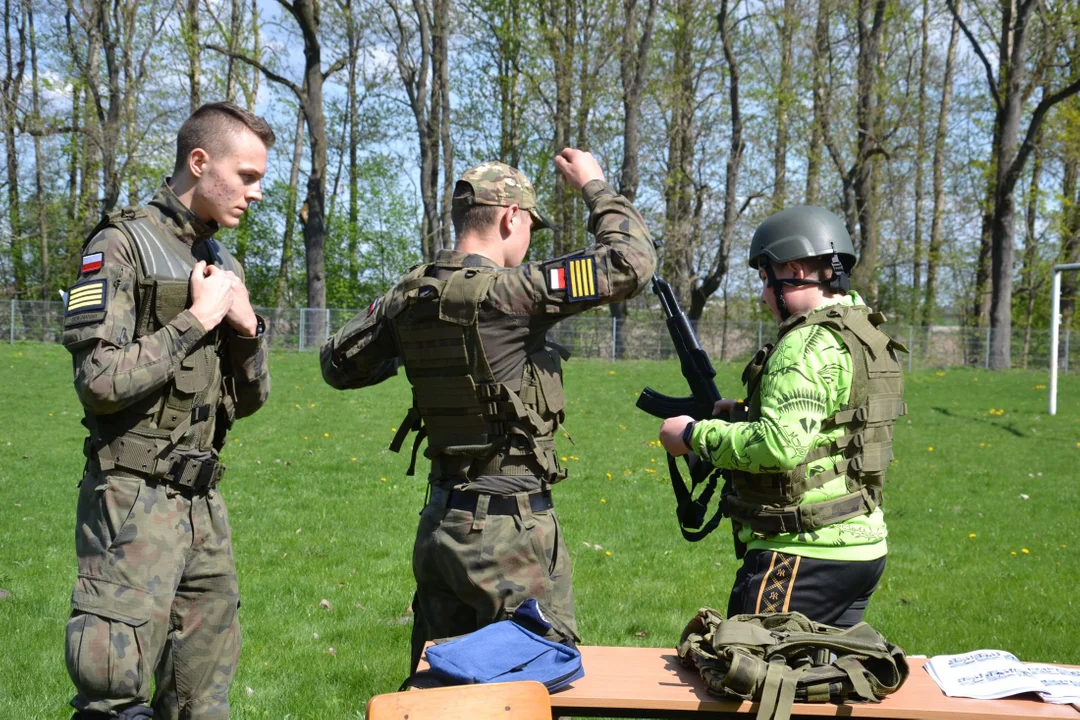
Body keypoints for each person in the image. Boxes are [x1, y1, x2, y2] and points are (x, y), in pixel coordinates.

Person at [321, 149, 657, 669]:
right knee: (532, 677)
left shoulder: (408, 297)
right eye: (529, 227)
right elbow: (630, 263)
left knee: (441, 687)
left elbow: (338, 365)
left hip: (441, 525)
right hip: (510, 534)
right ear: (511, 217)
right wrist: (595, 186)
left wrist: (414, 341)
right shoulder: (513, 293)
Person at [61, 102, 274, 719]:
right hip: (131, 504)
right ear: (199, 162)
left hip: (203, 506)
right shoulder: (120, 244)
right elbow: (98, 381)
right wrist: (198, 319)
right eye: (247, 177)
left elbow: (254, 399)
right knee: (113, 694)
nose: (255, 195)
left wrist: (247, 329)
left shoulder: (222, 262)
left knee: (201, 699)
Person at [659, 206, 906, 628]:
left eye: (764, 279)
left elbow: (780, 446)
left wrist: (694, 434)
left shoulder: (803, 344)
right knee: (815, 676)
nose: (762, 296)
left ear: (793, 271)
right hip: (861, 549)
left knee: (747, 677)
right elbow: (832, 422)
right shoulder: (864, 332)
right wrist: (742, 413)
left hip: (803, 552)